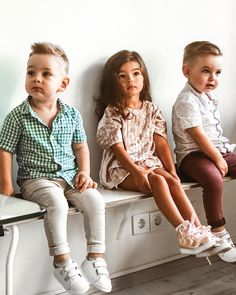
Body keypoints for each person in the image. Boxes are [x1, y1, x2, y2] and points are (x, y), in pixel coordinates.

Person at [0, 42, 111, 294]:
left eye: (46, 74)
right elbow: (4, 150)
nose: (36, 78)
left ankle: (95, 257)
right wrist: (6, 186)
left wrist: (85, 173)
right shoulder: (17, 116)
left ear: (63, 84)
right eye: (31, 72)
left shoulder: (71, 115)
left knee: (95, 200)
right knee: (56, 203)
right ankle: (61, 262)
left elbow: (81, 147)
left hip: (70, 177)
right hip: (36, 180)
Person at [96, 50, 227, 258]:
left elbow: (161, 144)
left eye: (136, 73)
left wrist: (172, 170)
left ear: (143, 77)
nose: (131, 79)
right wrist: (138, 173)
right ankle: (183, 233)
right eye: (123, 75)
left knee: (171, 180)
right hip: (122, 169)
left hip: (149, 163)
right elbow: (117, 149)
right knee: (157, 179)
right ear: (114, 81)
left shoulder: (151, 110)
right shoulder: (113, 111)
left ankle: (198, 230)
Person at [172, 40, 236, 262]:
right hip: (193, 156)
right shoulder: (186, 100)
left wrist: (221, 154)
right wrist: (218, 158)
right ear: (186, 71)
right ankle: (218, 232)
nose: (213, 78)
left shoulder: (210, 97)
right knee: (213, 179)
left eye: (217, 72)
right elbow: (198, 136)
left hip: (217, 149)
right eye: (206, 71)